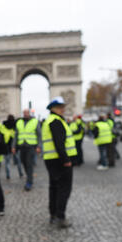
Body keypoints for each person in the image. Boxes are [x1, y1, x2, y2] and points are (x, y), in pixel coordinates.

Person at [42, 97, 77, 229]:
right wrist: (66, 160)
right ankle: (60, 216)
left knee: (54, 187)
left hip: (51, 159)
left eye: (63, 106)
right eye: (60, 107)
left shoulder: (50, 120)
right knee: (64, 189)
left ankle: (53, 215)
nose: (63, 109)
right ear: (53, 109)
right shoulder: (56, 121)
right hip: (60, 160)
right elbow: (59, 142)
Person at [12, 109, 41, 191]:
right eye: (24, 113)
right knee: (23, 163)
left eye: (26, 113)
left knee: (29, 164)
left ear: (29, 113)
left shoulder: (35, 121)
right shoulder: (19, 122)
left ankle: (29, 182)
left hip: (31, 147)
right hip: (22, 147)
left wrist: (39, 146)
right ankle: (29, 176)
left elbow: (39, 135)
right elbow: (16, 135)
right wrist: (13, 146)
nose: (25, 114)